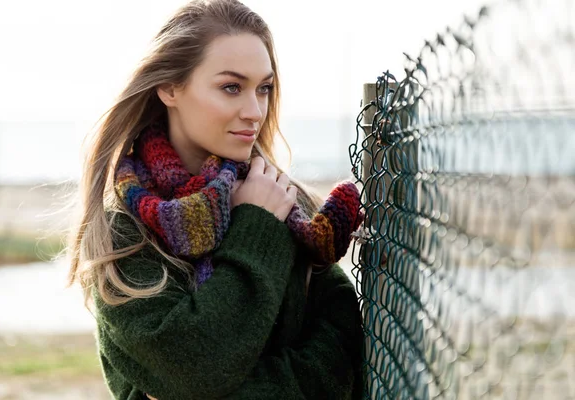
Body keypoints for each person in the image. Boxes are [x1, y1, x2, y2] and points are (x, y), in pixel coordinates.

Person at [67, 0, 365, 399]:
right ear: (170, 87)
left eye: (264, 88)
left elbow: (344, 346)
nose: (255, 111)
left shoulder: (287, 206)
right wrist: (256, 229)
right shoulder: (121, 230)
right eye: (231, 88)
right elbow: (193, 367)